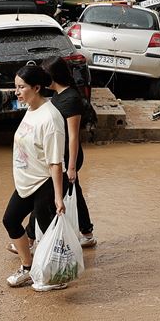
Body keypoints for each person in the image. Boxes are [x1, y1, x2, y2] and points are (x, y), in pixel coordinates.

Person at [1, 64, 67, 291]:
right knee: (10, 220)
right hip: (27, 181)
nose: (16, 92)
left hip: (45, 182)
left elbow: (55, 162)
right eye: (15, 87)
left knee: (47, 233)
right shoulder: (31, 108)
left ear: (37, 87)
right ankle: (28, 268)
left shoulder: (51, 118)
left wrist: (59, 197)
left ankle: (57, 277)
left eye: (21, 88)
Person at [40, 57, 95, 246]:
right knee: (74, 193)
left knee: (45, 195)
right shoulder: (57, 95)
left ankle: (31, 238)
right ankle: (87, 233)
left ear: (53, 77)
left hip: (68, 157)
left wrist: (71, 167)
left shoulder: (71, 99)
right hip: (60, 154)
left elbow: (73, 136)